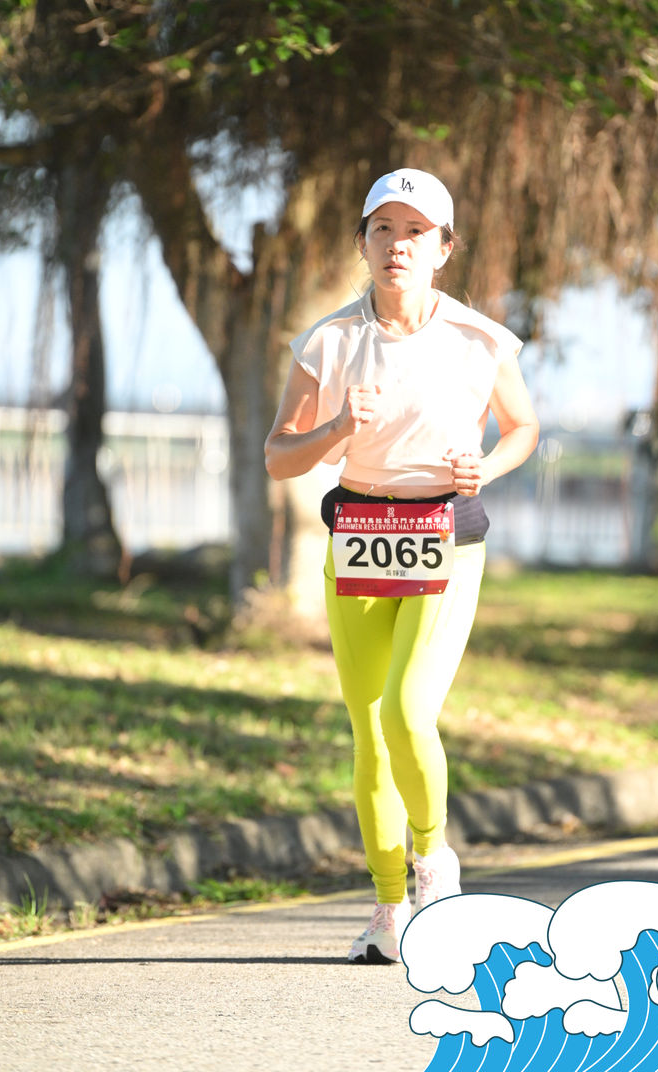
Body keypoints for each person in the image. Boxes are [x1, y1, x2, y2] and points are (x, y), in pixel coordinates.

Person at [264, 167, 539, 964]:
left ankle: (434, 860)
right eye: (382, 229)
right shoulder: (328, 342)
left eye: (415, 231)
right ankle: (389, 911)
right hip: (356, 533)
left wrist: (485, 467)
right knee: (368, 731)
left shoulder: (481, 340)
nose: (397, 245)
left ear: (443, 249)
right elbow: (279, 456)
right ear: (361, 243)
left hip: (443, 534)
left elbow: (522, 427)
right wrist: (335, 431)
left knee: (408, 711)